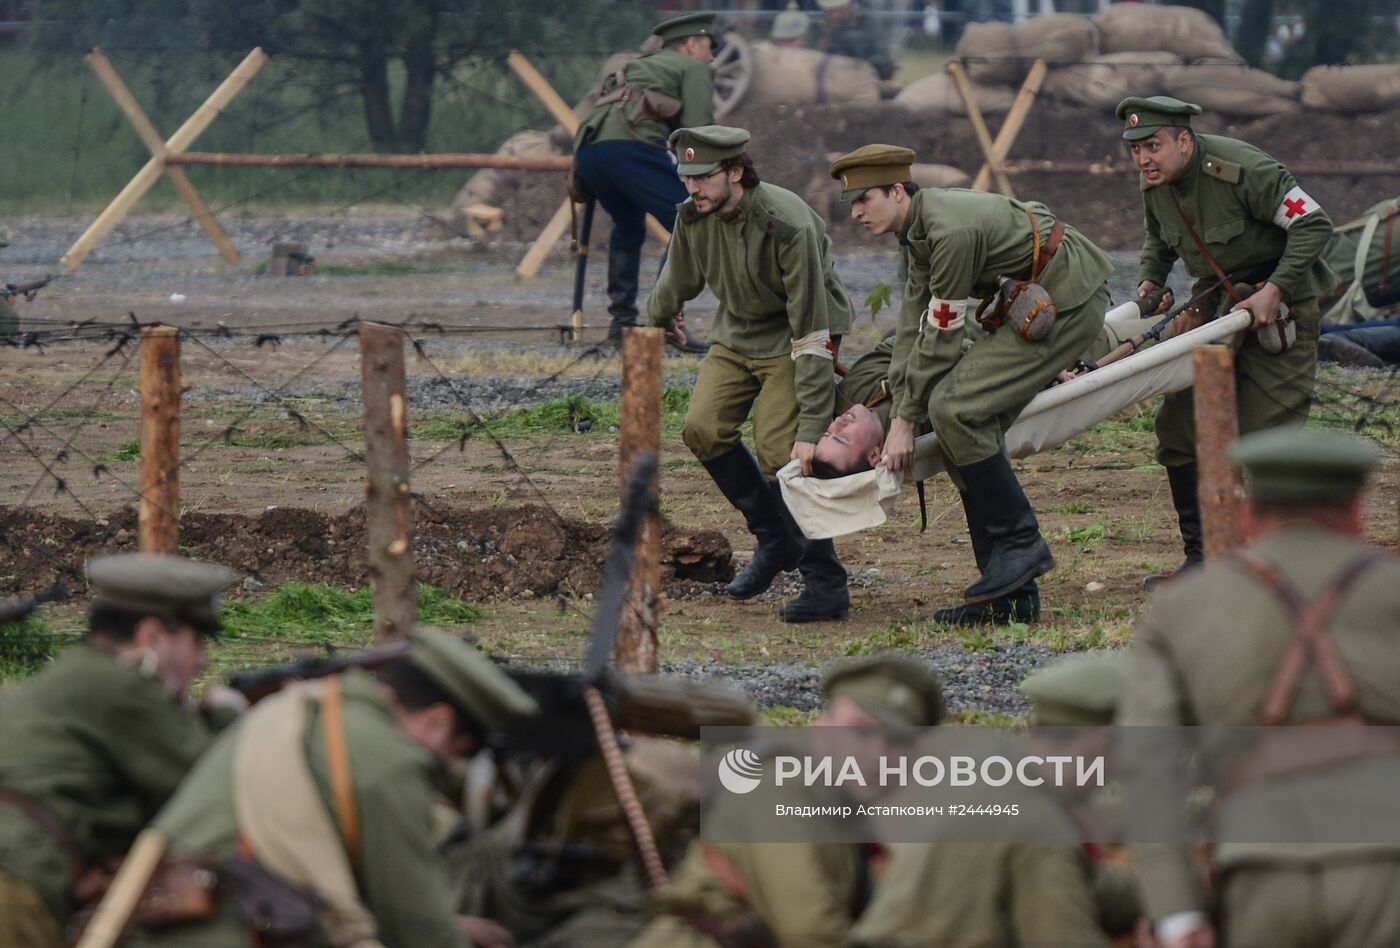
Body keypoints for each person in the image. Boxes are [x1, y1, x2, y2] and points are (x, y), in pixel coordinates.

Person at [1117, 427, 1400, 948]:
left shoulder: (1181, 608)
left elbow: (1146, 768)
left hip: (1256, 865)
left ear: (1247, 517)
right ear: (1358, 516)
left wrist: (1175, 912)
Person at [828, 144, 1113, 626]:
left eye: (865, 199)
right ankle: (1006, 596)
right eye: (851, 203)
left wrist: (902, 421)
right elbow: (913, 325)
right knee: (964, 425)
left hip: (1068, 299)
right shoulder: (917, 230)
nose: (856, 212)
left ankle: (1022, 546)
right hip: (1044, 295)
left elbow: (941, 336)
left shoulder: (948, 231)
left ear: (898, 191)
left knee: (957, 409)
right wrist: (901, 399)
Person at [123, 626, 540, 948]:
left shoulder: (302, 708)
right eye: (454, 753)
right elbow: (419, 930)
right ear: (438, 722)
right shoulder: (391, 762)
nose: (445, 767)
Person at [1116, 95, 1334, 589]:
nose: (1143, 158)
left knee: (1266, 438)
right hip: (1214, 310)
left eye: (1153, 145)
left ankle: (1283, 565)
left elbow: (1313, 223)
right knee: (1179, 427)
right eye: (1135, 149)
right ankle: (1204, 560)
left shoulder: (1242, 170)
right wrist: (1151, 281)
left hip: (1281, 310)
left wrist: (1273, 290)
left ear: (1185, 140)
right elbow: (1158, 236)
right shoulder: (1158, 182)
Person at [651, 125, 856, 623]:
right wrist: (659, 318)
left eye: (702, 177)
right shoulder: (693, 217)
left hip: (799, 334)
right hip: (737, 333)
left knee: (779, 450)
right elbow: (677, 277)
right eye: (685, 177)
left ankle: (825, 582)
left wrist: (811, 431)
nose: (692, 188)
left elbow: (811, 327)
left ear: (736, 172)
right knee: (702, 427)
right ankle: (773, 539)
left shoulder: (785, 223)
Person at [0, 553, 238, 947]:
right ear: (152, 637)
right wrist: (231, 717)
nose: (201, 661)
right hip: (17, 886)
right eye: (196, 642)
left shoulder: (77, 671)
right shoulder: (124, 689)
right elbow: (208, 785)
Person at [629, 655, 944, 947]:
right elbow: (810, 933)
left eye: (898, 742)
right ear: (822, 728)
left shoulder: (854, 811)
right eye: (860, 732)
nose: (877, 755)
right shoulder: (778, 789)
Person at [574, 12, 716, 349]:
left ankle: (621, 325)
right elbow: (699, 133)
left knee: (627, 225)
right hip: (629, 148)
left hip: (589, 152)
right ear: (692, 44)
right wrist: (711, 180)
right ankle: (666, 325)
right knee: (690, 221)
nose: (713, 55)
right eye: (711, 45)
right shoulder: (693, 68)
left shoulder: (638, 66)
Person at [813, 0, 896, 81]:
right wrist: (826, 38)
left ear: (849, 6)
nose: (836, 15)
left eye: (840, 10)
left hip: (865, 80)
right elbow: (809, 63)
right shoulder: (817, 28)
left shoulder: (865, 22)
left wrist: (859, 61)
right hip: (827, 84)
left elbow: (885, 61)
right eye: (830, 11)